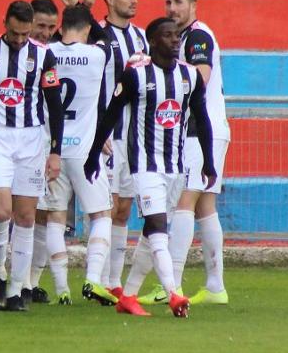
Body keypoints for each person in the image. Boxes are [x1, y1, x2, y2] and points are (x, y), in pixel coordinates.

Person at [85, 17, 216, 319]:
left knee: (152, 232)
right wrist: (93, 154)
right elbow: (110, 115)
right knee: (158, 227)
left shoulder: (190, 76)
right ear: (153, 41)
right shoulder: (135, 76)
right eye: (167, 36)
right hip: (144, 165)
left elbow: (203, 120)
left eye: (176, 36)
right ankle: (174, 293)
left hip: (176, 166)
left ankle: (128, 296)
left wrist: (208, 161)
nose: (174, 40)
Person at [0, 0, 64, 312]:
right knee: (3, 211)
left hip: (31, 139)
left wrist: (55, 151)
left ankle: (17, 291)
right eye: (15, 33)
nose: (19, 40)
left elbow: (54, 104)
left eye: (25, 34)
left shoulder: (44, 55)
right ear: (4, 22)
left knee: (26, 216)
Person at [62, 0, 148, 298]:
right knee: (105, 208)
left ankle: (114, 283)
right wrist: (100, 126)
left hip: (132, 135)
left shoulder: (141, 38)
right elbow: (83, 81)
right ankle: (94, 278)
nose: (134, 0)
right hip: (106, 135)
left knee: (123, 208)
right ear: (110, 0)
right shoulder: (96, 37)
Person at [35, 4, 118, 307]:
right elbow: (105, 38)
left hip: (52, 148)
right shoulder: (97, 54)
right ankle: (92, 279)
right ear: (85, 28)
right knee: (101, 215)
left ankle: (62, 291)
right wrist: (88, 9)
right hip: (85, 150)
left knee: (55, 219)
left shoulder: (46, 52)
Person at [157, 0, 230, 306]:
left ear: (193, 5)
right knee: (204, 205)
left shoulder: (198, 36)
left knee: (184, 202)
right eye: (168, 2)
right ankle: (215, 286)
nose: (172, 8)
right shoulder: (184, 37)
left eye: (178, 2)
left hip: (203, 130)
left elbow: (199, 78)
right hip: (208, 130)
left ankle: (170, 285)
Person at [25, 0, 61, 303]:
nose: (45, 32)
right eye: (41, 25)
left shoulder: (52, 55)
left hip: (47, 144)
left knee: (44, 214)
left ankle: (30, 281)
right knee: (23, 211)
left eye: (51, 27)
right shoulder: (14, 55)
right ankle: (16, 278)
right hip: (24, 143)